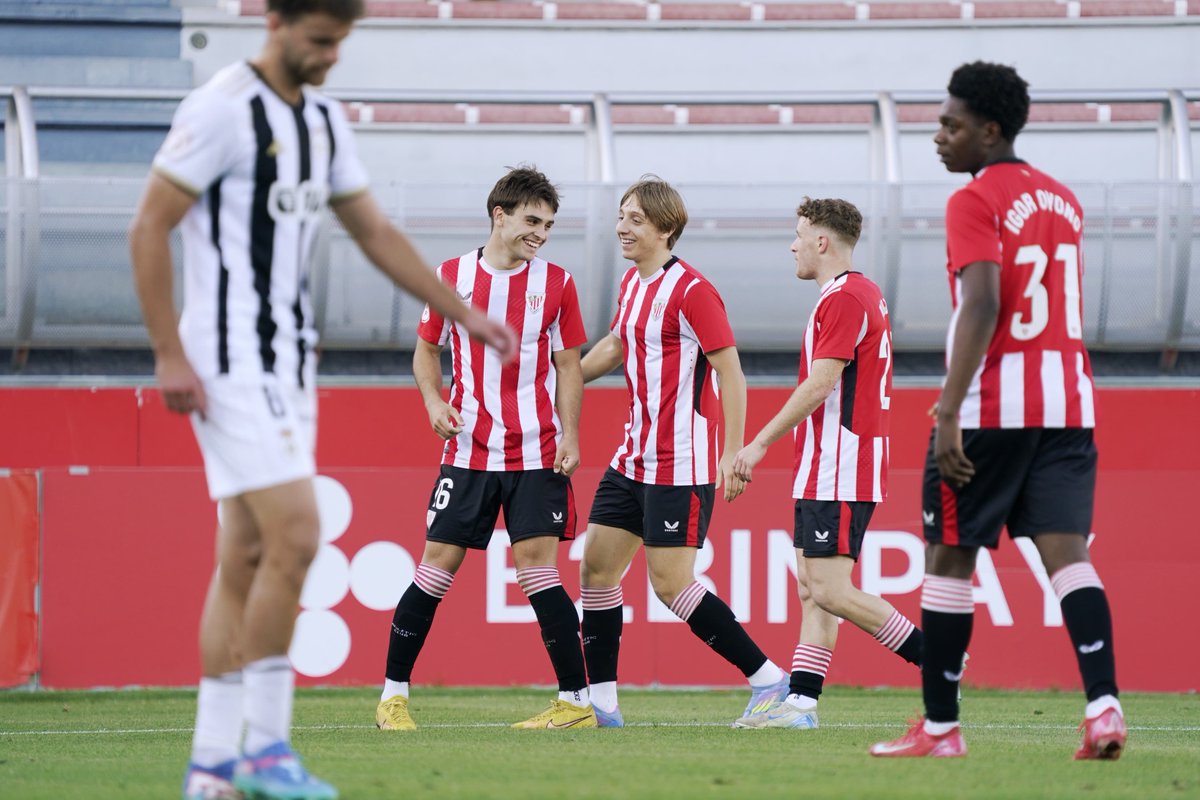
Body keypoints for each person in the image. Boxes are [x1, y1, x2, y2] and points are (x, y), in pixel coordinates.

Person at [128, 2, 518, 798]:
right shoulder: (220, 109)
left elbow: (373, 231)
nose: (332, 57)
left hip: (285, 363)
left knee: (241, 555)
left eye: (341, 43)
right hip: (227, 361)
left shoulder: (326, 121)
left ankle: (210, 767)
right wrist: (168, 350)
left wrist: (464, 314)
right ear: (275, 21)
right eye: (319, 41)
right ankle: (267, 750)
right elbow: (148, 227)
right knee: (299, 534)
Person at [871, 61, 1124, 759]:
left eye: (951, 124)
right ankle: (1104, 708)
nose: (938, 136)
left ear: (989, 130)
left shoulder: (975, 199)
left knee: (950, 559)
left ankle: (941, 728)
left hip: (993, 407)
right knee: (1068, 556)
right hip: (1069, 402)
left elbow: (983, 301)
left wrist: (949, 410)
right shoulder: (1064, 199)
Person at [374, 167, 594, 731]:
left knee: (537, 572)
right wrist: (432, 402)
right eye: (531, 220)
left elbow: (569, 365)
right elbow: (426, 353)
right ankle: (392, 698)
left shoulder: (559, 283)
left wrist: (570, 434)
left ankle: (575, 704)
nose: (540, 233)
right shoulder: (450, 277)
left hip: (537, 454)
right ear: (500, 215)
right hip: (469, 452)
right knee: (435, 570)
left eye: (547, 224)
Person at [578, 176, 789, 728]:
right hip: (632, 458)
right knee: (596, 571)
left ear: (666, 228)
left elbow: (731, 372)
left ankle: (769, 681)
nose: (623, 226)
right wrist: (562, 381)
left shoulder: (693, 290)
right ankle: (600, 707)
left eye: (636, 219)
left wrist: (734, 453)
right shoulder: (631, 284)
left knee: (671, 585)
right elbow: (617, 343)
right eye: (621, 216)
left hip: (682, 462)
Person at [729, 198, 922, 730]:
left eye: (798, 234)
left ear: (822, 242)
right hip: (827, 462)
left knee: (831, 589)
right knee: (812, 590)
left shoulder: (844, 297)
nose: (792, 245)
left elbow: (821, 383)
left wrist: (758, 443)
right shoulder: (858, 294)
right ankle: (801, 706)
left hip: (842, 461)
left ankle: (937, 659)